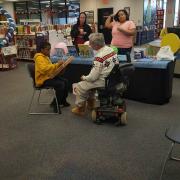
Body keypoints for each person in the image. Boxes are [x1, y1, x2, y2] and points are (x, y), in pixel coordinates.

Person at [71, 33, 118, 116]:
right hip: (112, 79)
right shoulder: (111, 50)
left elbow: (92, 78)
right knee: (89, 86)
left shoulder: (99, 57)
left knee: (80, 86)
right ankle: (91, 104)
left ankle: (80, 108)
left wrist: (84, 78)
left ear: (95, 45)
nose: (89, 45)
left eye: (90, 43)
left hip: (103, 81)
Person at [34, 42, 70, 112]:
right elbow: (44, 69)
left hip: (48, 76)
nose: (49, 51)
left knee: (65, 81)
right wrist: (56, 65)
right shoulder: (39, 58)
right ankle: (56, 104)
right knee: (60, 84)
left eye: (49, 49)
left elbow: (49, 68)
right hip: (42, 80)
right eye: (47, 50)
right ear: (42, 50)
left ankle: (62, 100)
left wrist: (59, 66)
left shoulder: (46, 57)